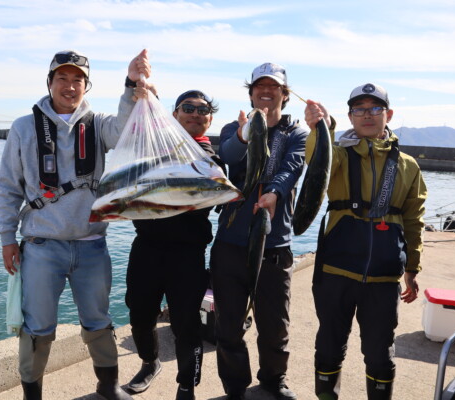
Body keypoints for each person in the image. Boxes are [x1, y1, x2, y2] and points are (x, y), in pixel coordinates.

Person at [0, 48, 152, 400]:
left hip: (91, 244)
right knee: (37, 327)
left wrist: (132, 84)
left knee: (98, 319)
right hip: (40, 246)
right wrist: (7, 237)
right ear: (49, 82)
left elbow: (127, 127)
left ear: (87, 86)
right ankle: (32, 394)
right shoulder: (23, 128)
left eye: (77, 80)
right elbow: (7, 187)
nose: (70, 86)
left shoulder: (97, 124)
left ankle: (108, 387)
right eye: (62, 78)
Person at [304, 83, 427, 399]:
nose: (368, 115)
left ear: (389, 114)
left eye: (375, 108)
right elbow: (317, 164)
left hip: (384, 276)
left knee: (380, 352)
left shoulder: (409, 165)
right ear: (350, 116)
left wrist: (412, 268)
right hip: (335, 271)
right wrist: (320, 129)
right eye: (359, 109)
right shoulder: (341, 155)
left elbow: (414, 220)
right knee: (329, 345)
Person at [210, 63, 309, 400]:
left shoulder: (296, 133)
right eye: (259, 86)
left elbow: (293, 167)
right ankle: (235, 387)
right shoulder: (231, 127)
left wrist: (274, 193)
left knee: (275, 325)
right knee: (228, 324)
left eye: (274, 87)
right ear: (251, 92)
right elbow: (227, 156)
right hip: (230, 242)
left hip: (274, 244)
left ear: (285, 93)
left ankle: (273, 380)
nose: (266, 92)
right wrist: (242, 133)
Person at [125, 90, 223, 400]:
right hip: (147, 248)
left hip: (187, 254)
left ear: (209, 118)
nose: (195, 113)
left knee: (186, 323)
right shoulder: (151, 149)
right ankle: (149, 363)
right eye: (188, 108)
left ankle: (186, 384)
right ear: (175, 114)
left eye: (202, 109)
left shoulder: (213, 159)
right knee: (139, 314)